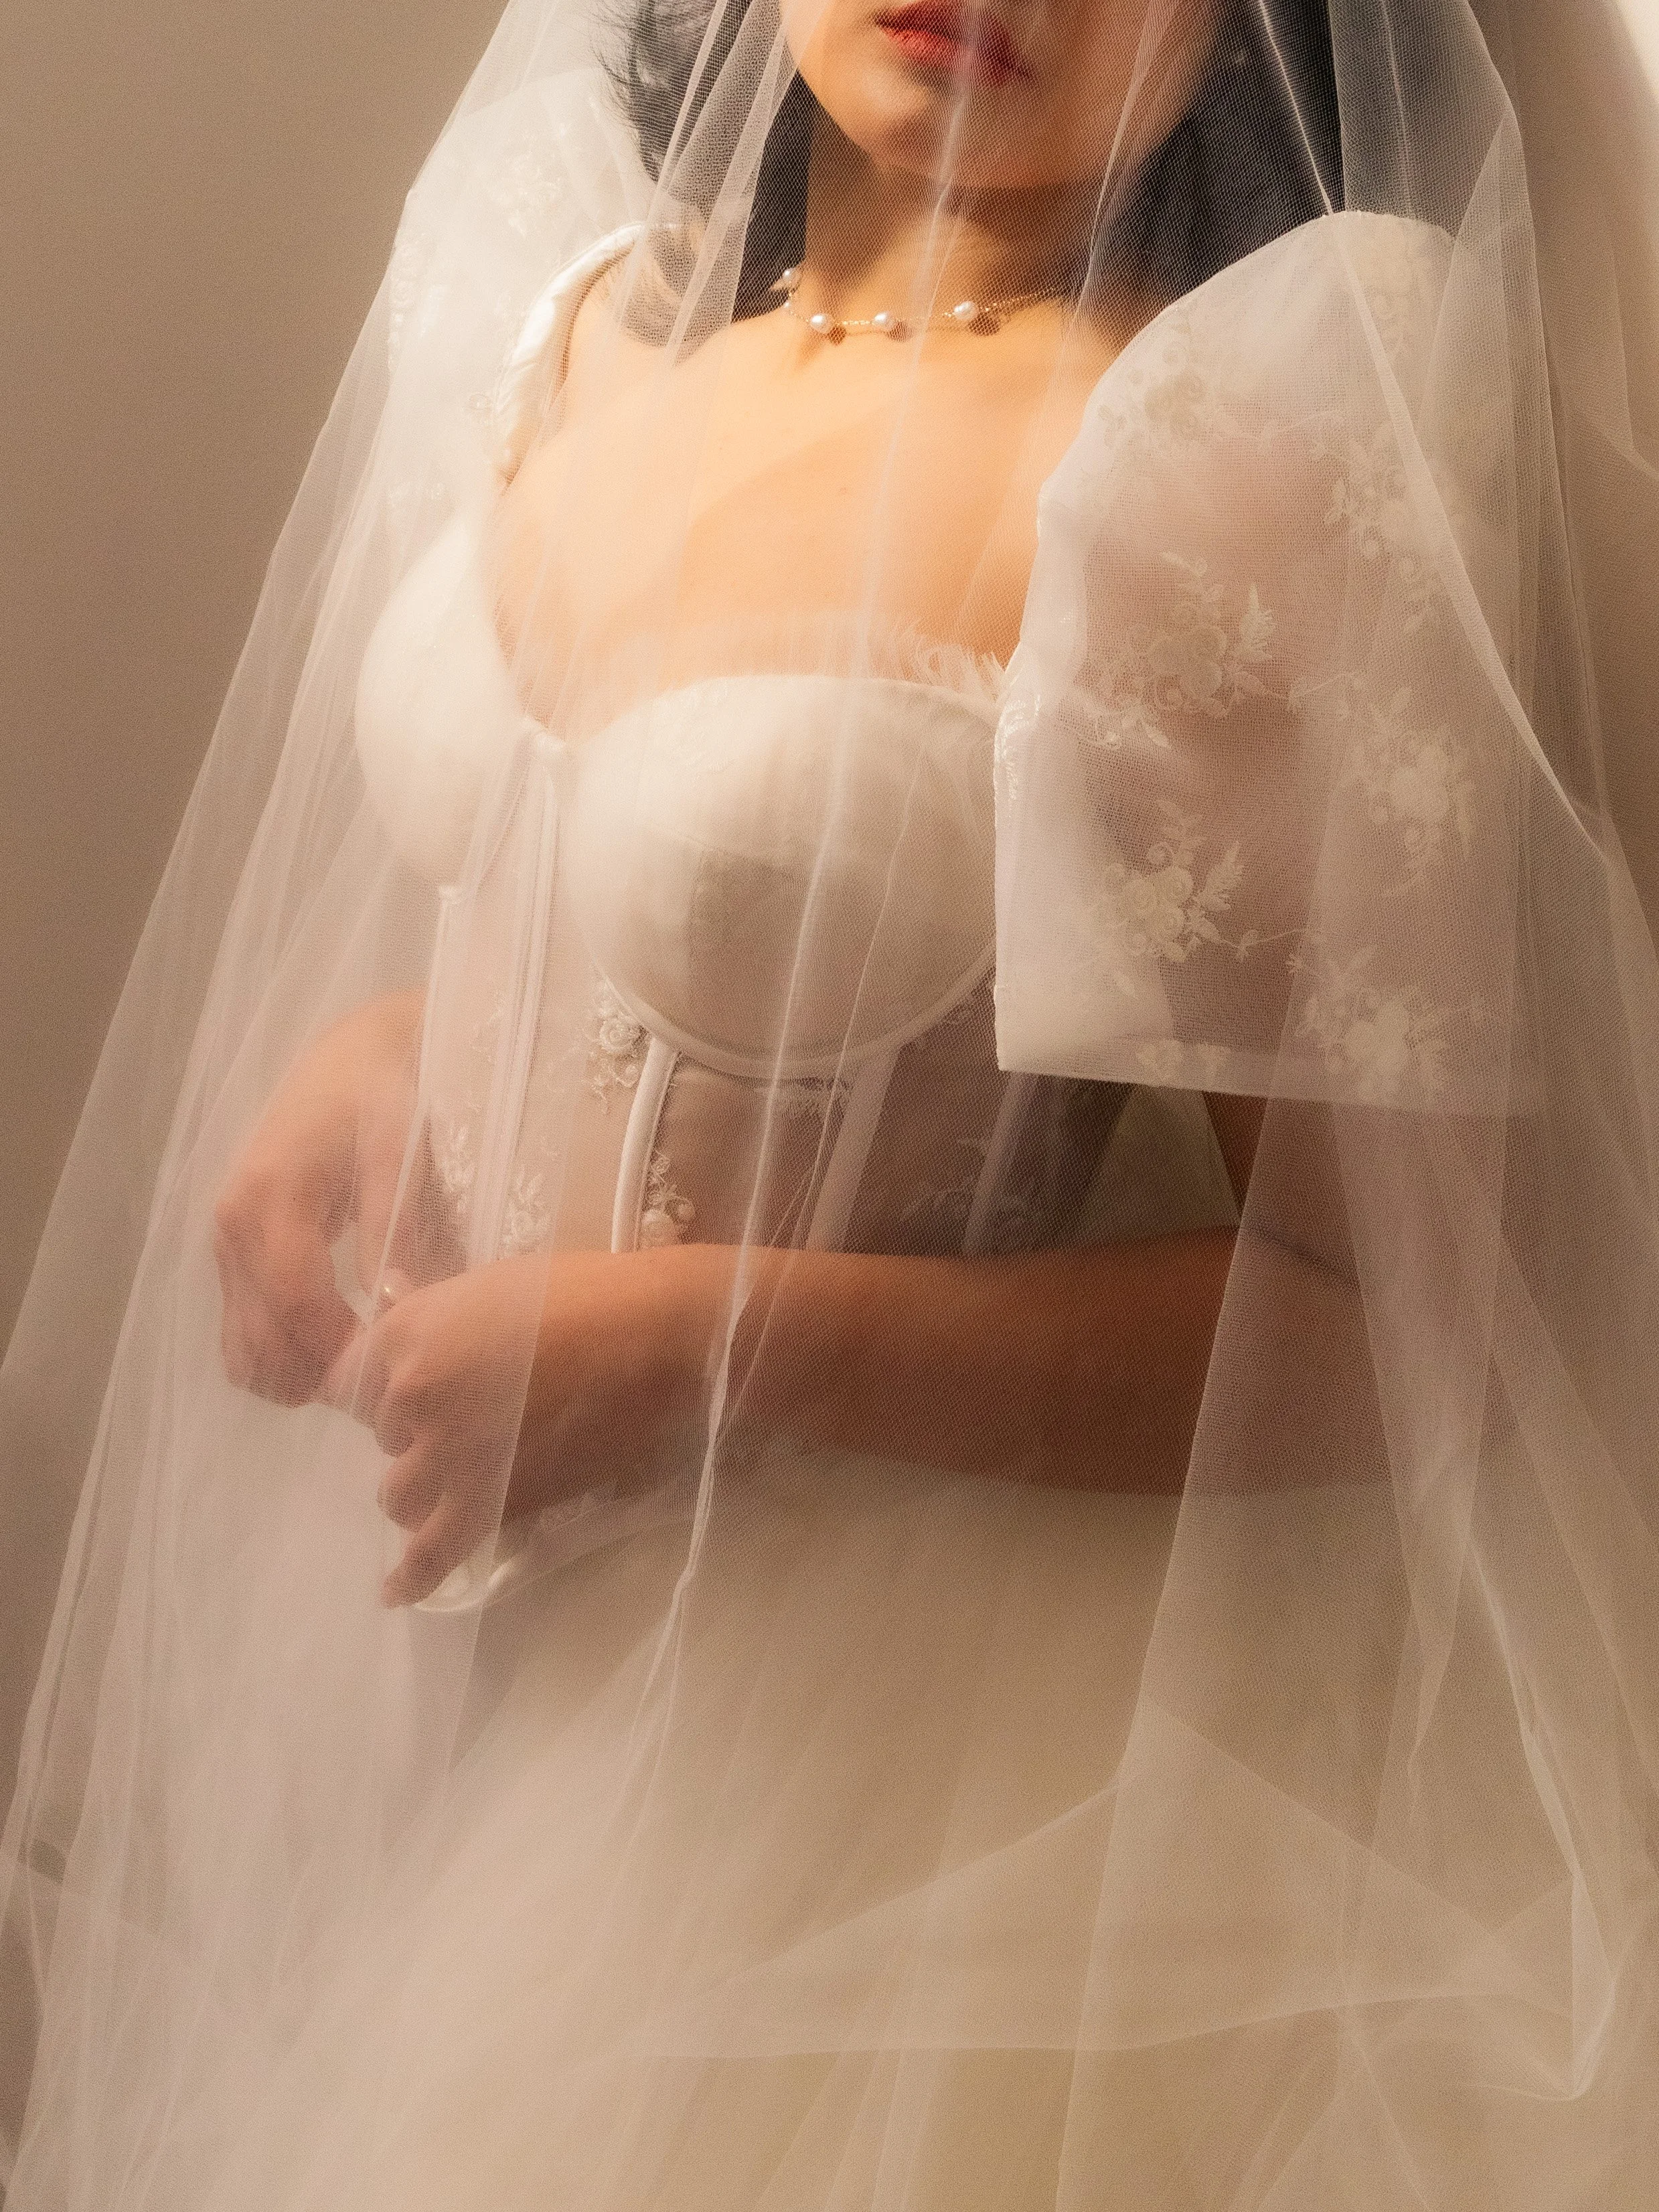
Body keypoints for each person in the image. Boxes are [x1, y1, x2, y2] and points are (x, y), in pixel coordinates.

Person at [5, 0, 1659, 2204]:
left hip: (967, 1788)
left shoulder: (1214, 456)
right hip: (562, 1702)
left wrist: (698, 1345)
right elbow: (636, 899)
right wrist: (384, 1049)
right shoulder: (590, 333)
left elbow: (1392, 1323)